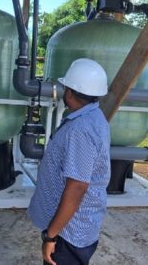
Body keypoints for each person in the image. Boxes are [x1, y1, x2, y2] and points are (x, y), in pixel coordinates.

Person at [27, 58, 111, 265]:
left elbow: (77, 187)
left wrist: (51, 236)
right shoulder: (95, 116)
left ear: (70, 93)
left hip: (68, 232)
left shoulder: (80, 129)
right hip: (71, 225)